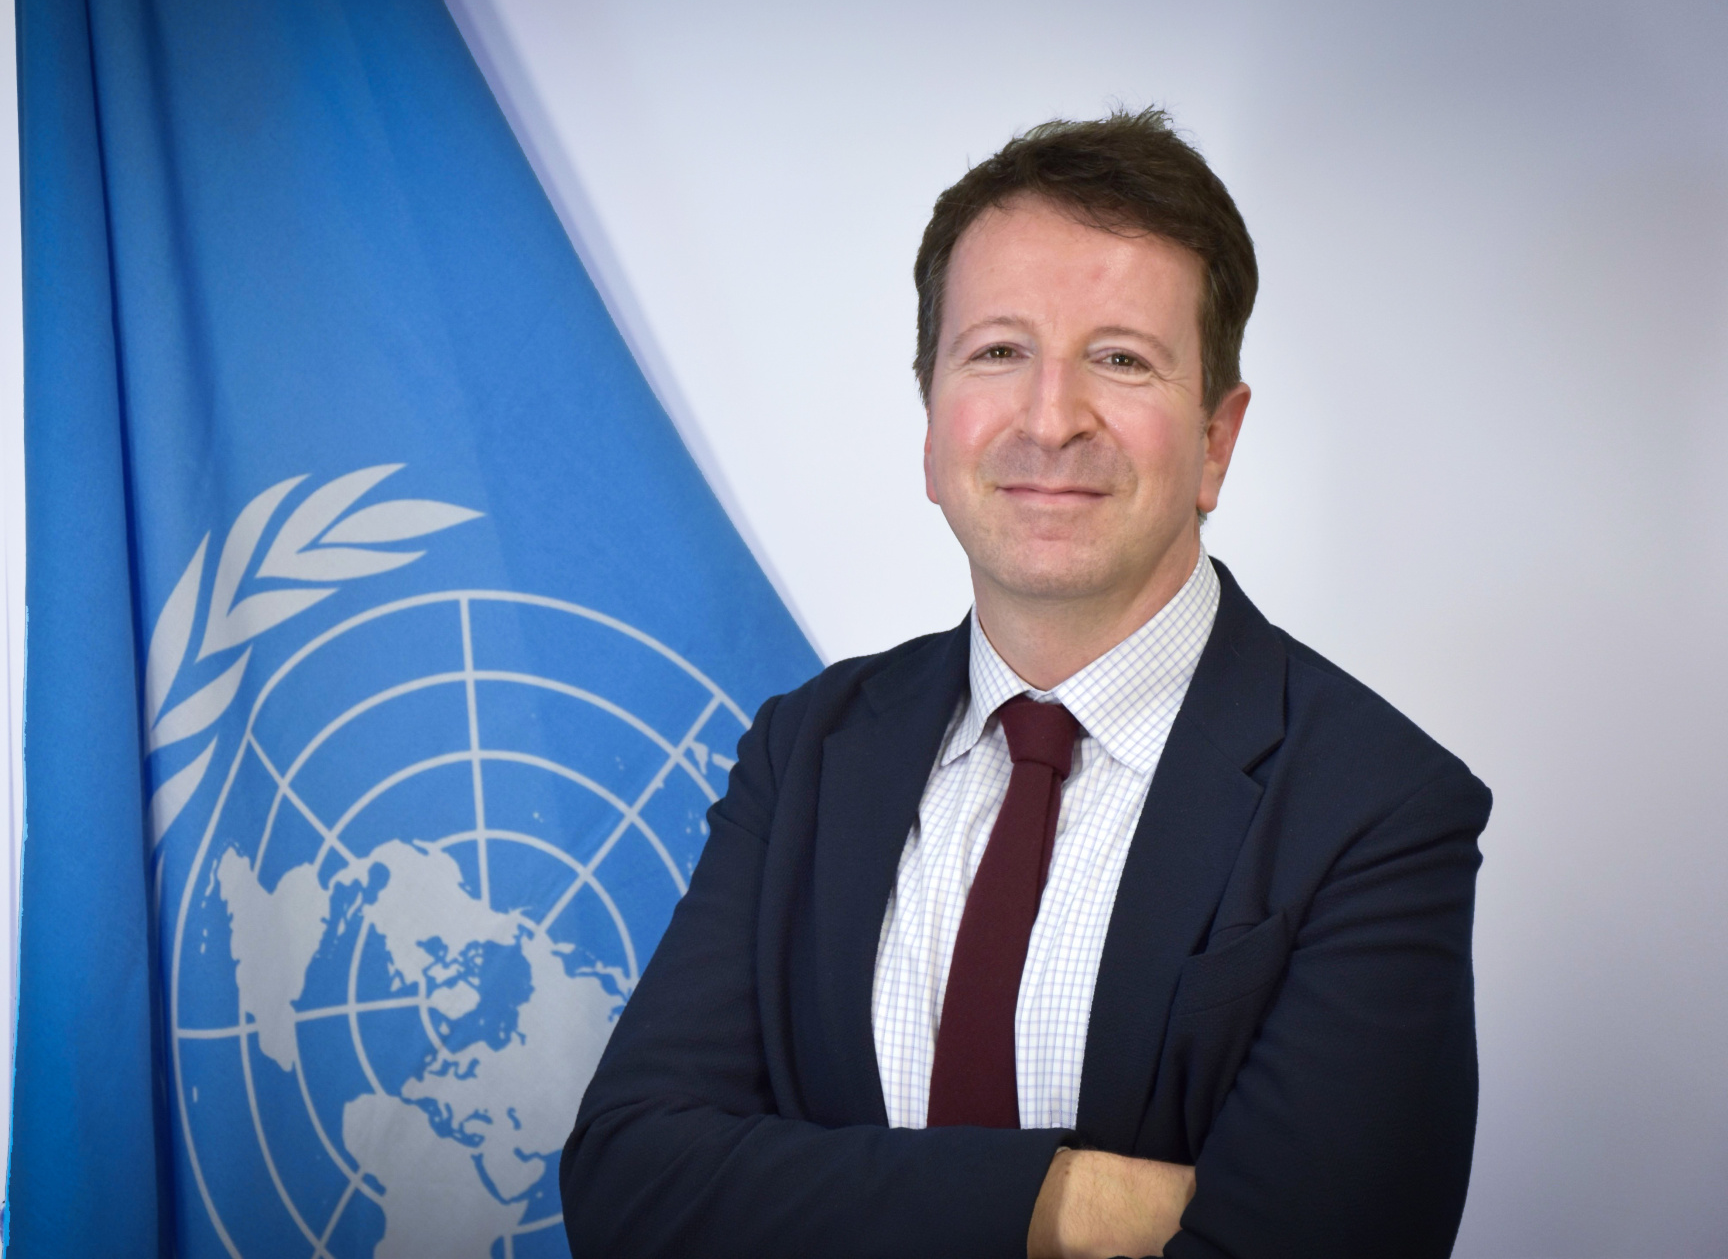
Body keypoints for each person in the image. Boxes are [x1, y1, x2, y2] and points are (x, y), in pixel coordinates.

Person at [559, 109, 1490, 1259]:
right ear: (933, 421)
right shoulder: (804, 748)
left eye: (1121, 359)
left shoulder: (1380, 808)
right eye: (998, 351)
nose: (1052, 419)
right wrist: (1070, 1201)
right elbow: (630, 1184)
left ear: (1215, 440)